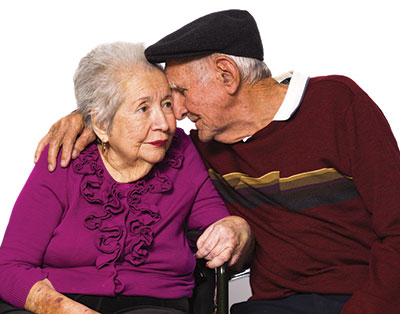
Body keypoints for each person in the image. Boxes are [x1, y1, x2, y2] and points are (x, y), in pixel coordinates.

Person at [34, 9, 400, 314]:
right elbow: (139, 132)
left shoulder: (336, 104)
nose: (175, 111)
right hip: (274, 305)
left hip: (365, 296)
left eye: (179, 92)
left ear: (227, 75)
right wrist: (87, 117)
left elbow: (397, 228)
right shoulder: (200, 148)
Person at [0, 41, 253, 314]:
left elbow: (221, 228)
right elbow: (10, 267)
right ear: (100, 125)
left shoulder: (182, 154)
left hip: (152, 304)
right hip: (59, 302)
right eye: (143, 109)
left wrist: (237, 228)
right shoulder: (64, 156)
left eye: (166, 104)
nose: (164, 124)